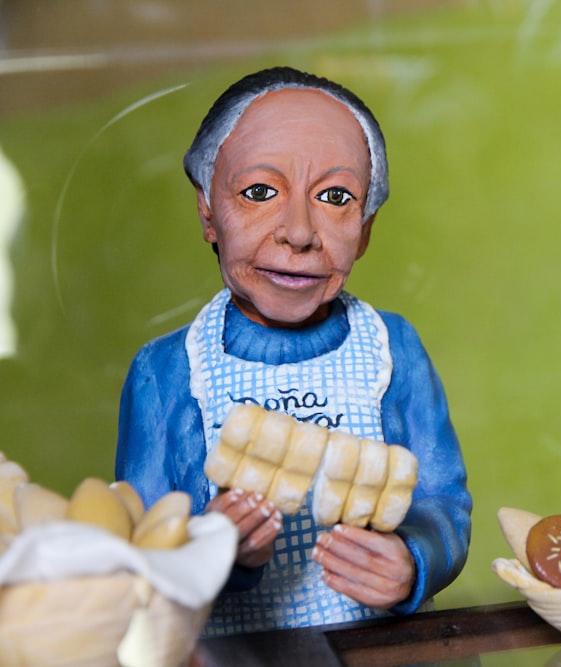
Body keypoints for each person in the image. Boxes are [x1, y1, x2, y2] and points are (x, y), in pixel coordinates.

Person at [115, 66, 472, 637]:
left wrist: (414, 560)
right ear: (208, 210)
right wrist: (212, 552)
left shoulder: (391, 348)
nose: (300, 232)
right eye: (259, 192)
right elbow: (138, 545)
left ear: (367, 226)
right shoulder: (166, 372)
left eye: (335, 197)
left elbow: (443, 499)